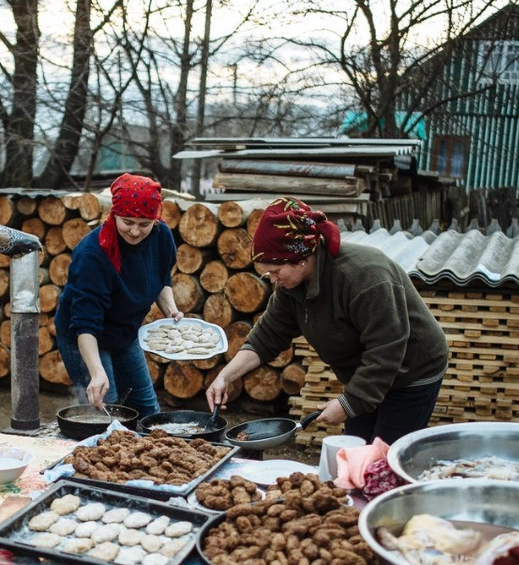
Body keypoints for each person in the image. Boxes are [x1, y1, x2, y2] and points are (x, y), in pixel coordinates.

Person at [206, 196, 448, 444]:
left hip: (411, 370)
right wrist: (225, 376)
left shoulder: (365, 277)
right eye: (269, 272)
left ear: (302, 258)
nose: (273, 279)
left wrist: (349, 403)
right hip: (366, 371)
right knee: (355, 448)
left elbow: (387, 350)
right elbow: (266, 337)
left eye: (277, 271)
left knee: (382, 457)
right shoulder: (291, 287)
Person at [54, 173, 182, 417]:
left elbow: (161, 277)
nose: (135, 231)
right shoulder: (93, 254)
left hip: (125, 332)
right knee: (107, 412)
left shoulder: (161, 236)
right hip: (86, 336)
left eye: (144, 224)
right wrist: (96, 370)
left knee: (147, 409)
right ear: (114, 215)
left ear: (156, 219)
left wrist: (171, 311)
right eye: (127, 222)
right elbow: (85, 324)